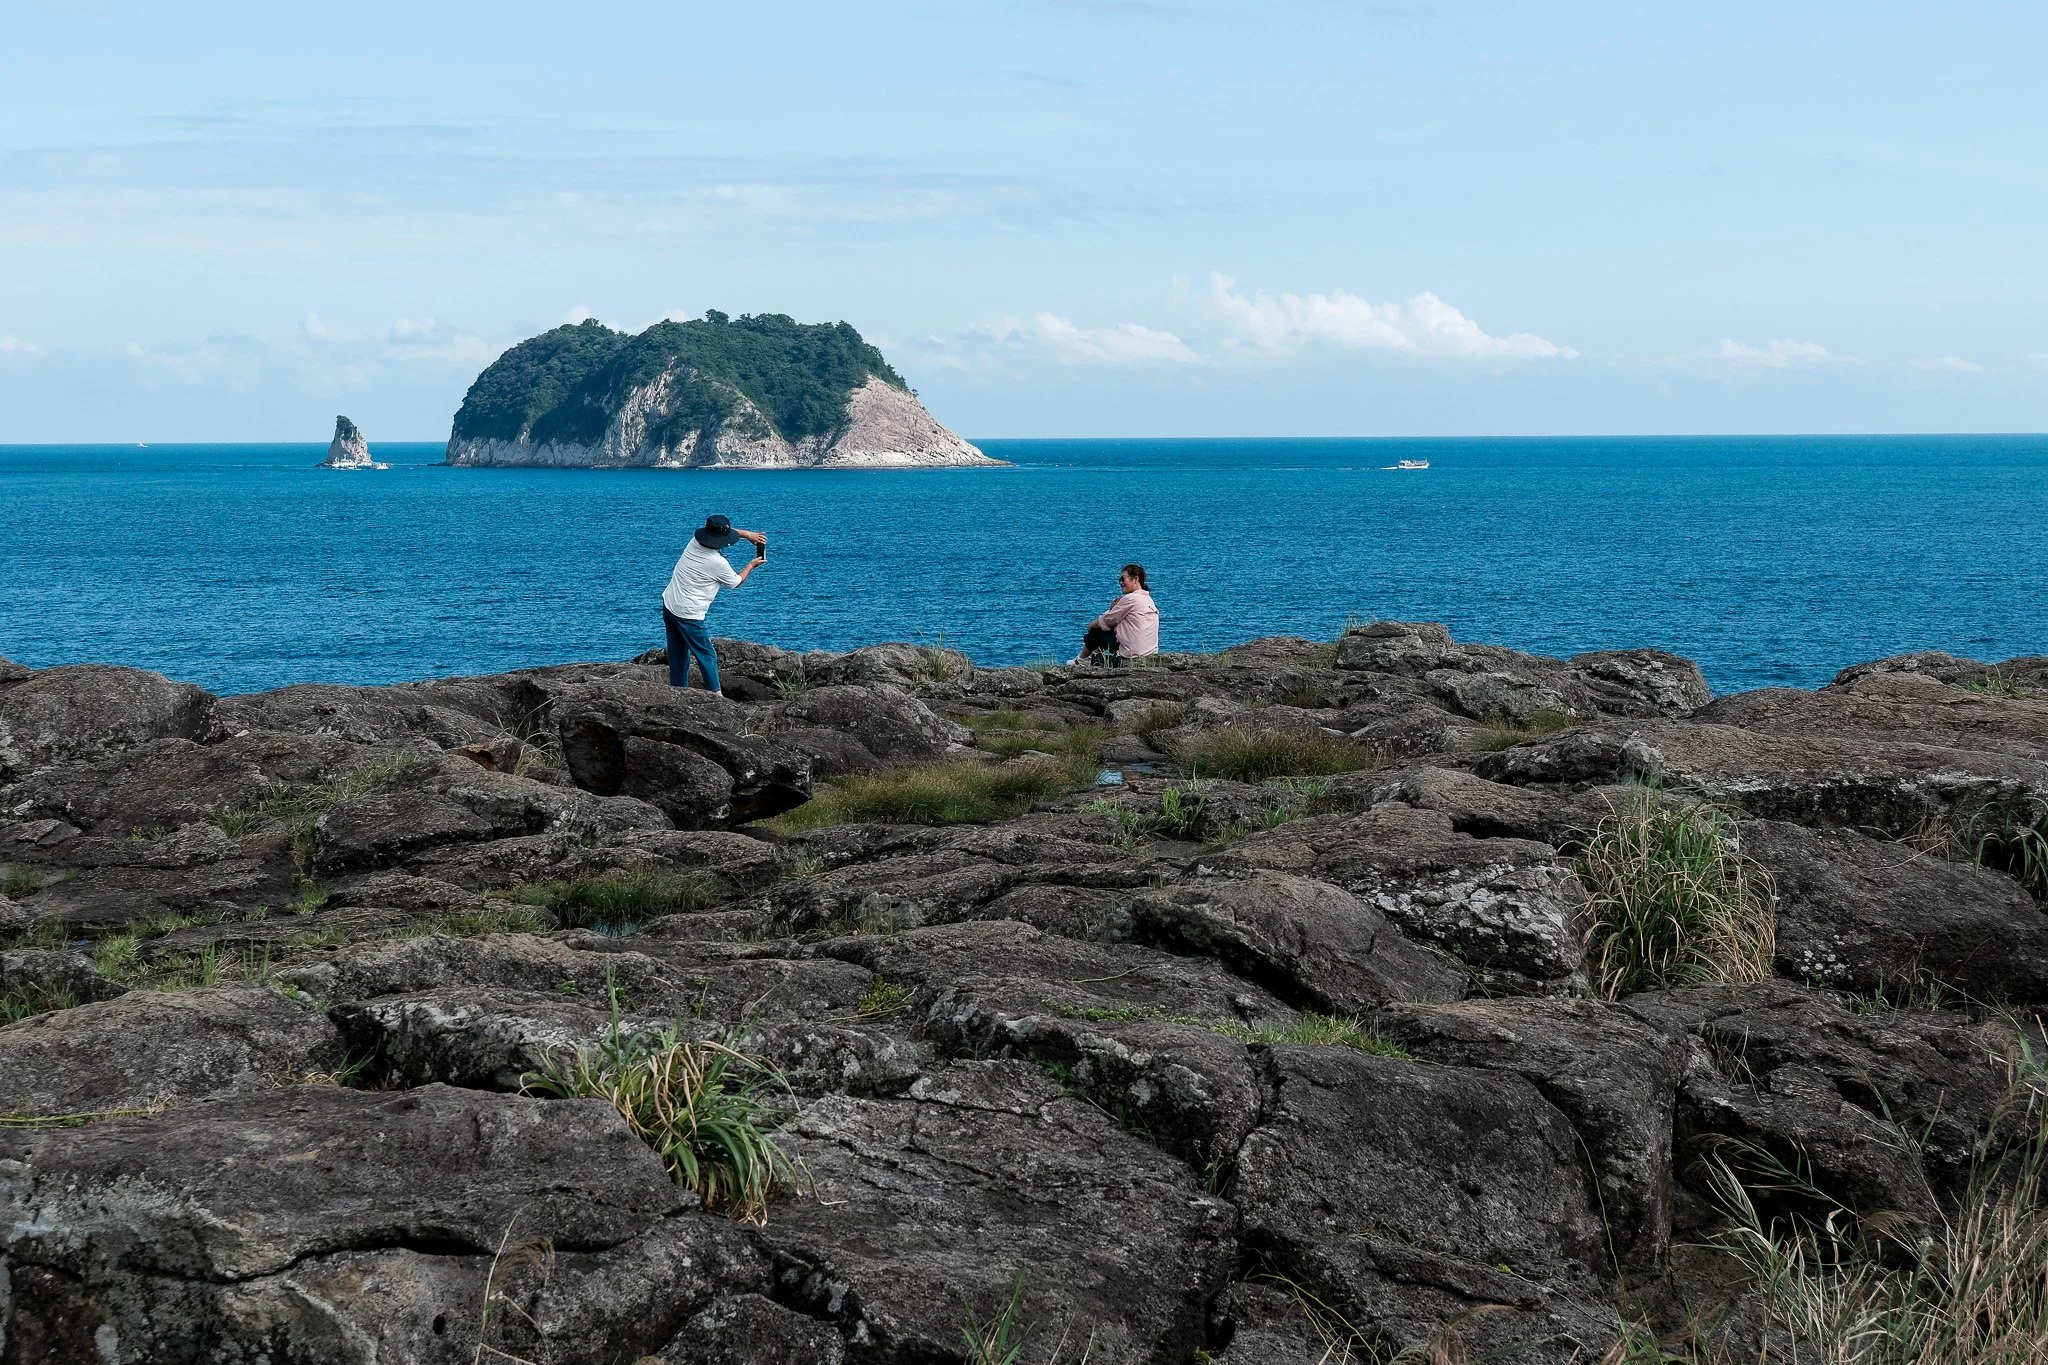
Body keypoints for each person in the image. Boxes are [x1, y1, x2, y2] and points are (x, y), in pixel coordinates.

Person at [661, 514, 766, 690]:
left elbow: (725, 533)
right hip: (689, 615)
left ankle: (677, 692)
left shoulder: (693, 543)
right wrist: (750, 566)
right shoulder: (717, 563)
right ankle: (716, 696)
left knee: (678, 655)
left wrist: (748, 534)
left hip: (670, 605)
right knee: (707, 655)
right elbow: (736, 582)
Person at [1076, 563, 1159, 666]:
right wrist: (1115, 609)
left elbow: (1108, 620)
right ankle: (1090, 658)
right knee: (1105, 631)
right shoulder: (1148, 600)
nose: (1120, 583)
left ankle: (1080, 661)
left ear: (1135, 579)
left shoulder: (1130, 598)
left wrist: (1090, 625)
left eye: (1123, 579)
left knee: (1095, 632)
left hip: (1132, 653)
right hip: (1149, 652)